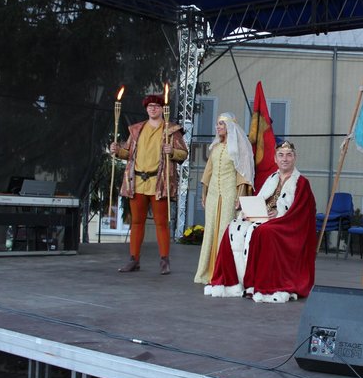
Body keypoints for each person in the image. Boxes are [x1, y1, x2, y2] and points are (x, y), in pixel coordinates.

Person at [205, 141, 317, 302]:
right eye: (281, 155)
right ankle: (231, 283)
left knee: (264, 232)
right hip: (263, 219)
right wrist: (249, 213)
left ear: (295, 158)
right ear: (275, 159)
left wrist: (279, 214)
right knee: (233, 227)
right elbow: (260, 200)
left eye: (289, 155)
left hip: (286, 225)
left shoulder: (302, 183)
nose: (285, 159)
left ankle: (259, 283)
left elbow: (302, 214)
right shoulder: (271, 178)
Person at [110, 94, 188, 275]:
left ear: (162, 109)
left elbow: (183, 153)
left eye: (156, 106)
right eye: (150, 106)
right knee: (137, 222)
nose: (153, 108)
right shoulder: (137, 129)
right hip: (137, 182)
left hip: (159, 182)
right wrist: (117, 150)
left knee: (161, 222)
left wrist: (172, 151)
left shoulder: (171, 130)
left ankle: (164, 260)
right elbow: (127, 152)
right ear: (146, 109)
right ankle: (134, 259)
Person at [194, 113, 254, 284]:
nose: (218, 127)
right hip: (213, 192)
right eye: (217, 124)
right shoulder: (216, 147)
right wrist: (204, 193)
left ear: (229, 126)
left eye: (221, 124)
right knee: (210, 229)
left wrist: (240, 195)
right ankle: (206, 272)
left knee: (225, 230)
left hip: (229, 192)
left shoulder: (238, 148)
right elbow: (208, 172)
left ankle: (222, 272)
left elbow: (243, 173)